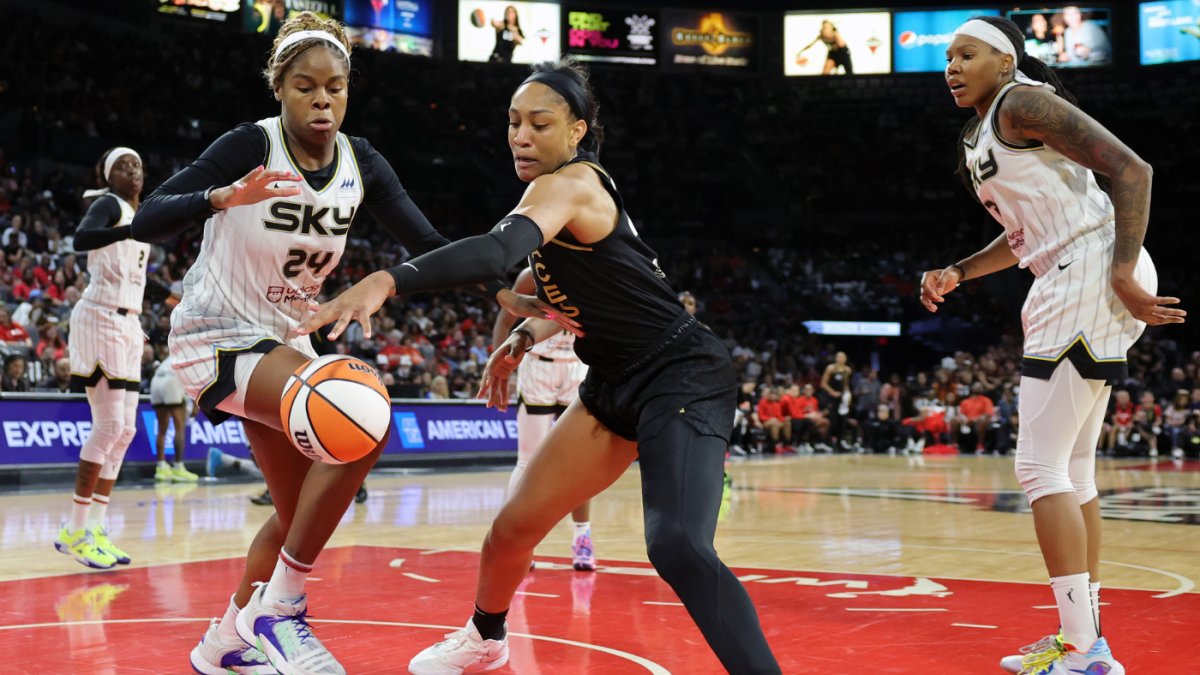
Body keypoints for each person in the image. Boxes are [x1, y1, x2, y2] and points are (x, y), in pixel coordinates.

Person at [300, 57, 781, 675]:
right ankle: (485, 636)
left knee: (677, 544)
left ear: (577, 129)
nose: (521, 136)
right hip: (612, 382)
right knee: (512, 530)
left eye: (540, 123)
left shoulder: (572, 184)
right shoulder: (554, 199)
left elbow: (498, 252)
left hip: (680, 374)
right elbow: (581, 294)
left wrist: (387, 280)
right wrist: (527, 329)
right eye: (512, 123)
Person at [128, 15, 564, 675]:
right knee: (363, 416)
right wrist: (218, 196)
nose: (322, 100)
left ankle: (224, 641)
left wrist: (497, 292)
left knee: (294, 511)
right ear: (280, 88)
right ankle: (281, 611)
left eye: (335, 87)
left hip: (285, 342)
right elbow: (152, 213)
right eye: (305, 87)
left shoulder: (364, 163)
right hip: (215, 334)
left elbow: (428, 244)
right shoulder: (252, 143)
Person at [928, 16, 1181, 675]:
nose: (951, 66)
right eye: (947, 57)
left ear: (1005, 60)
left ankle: (1085, 649)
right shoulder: (980, 132)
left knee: (1038, 470)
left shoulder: (1023, 102)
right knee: (1071, 470)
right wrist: (958, 270)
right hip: (1067, 266)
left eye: (967, 54)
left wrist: (1122, 269)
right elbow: (1020, 238)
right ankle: (1081, 638)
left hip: (1089, 267)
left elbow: (1133, 169)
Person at [55, 147, 179, 572]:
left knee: (125, 430)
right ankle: (74, 529)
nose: (134, 171)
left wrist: (170, 295)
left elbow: (140, 279)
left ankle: (96, 526)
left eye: (139, 165)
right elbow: (80, 239)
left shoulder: (136, 218)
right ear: (108, 176)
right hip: (99, 316)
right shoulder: (109, 205)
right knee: (108, 425)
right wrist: (126, 232)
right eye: (124, 167)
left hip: (128, 324)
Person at [493, 267, 596, 571]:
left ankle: (582, 538)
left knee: (579, 463)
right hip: (537, 364)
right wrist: (504, 368)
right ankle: (517, 543)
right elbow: (504, 320)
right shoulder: (531, 274)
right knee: (527, 461)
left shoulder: (594, 268)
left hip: (577, 366)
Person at [150, 355, 199, 482]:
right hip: (171, 380)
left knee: (162, 429)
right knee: (179, 427)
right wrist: (195, 404)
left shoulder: (174, 352)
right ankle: (178, 467)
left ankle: (160, 468)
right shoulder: (195, 354)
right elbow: (194, 380)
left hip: (156, 380)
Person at [960, 381, 997, 452]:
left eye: (980, 386)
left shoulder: (986, 400)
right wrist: (965, 420)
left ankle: (980, 445)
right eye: (976, 386)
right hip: (967, 421)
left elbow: (988, 413)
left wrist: (975, 419)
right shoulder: (965, 401)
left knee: (982, 421)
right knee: (954, 420)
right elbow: (962, 413)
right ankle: (954, 444)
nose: (977, 388)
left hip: (979, 421)